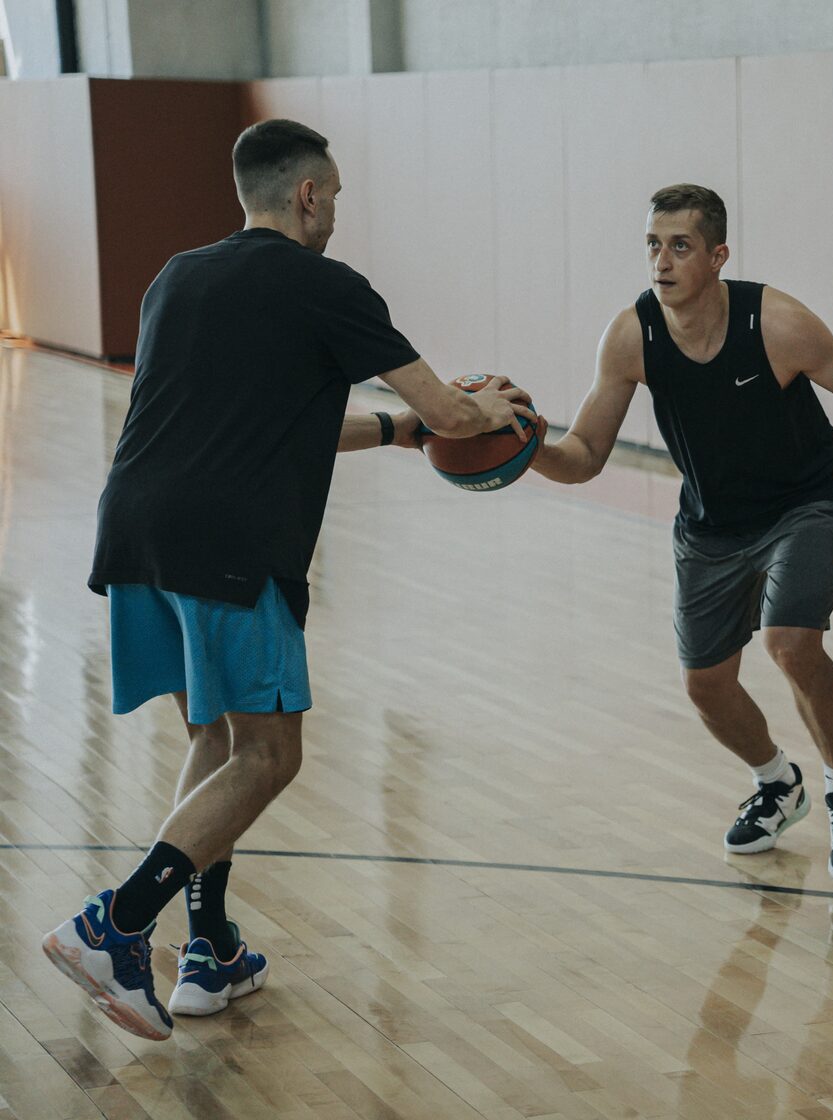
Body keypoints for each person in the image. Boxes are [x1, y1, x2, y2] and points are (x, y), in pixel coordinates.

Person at [41, 119, 536, 1042]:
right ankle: (116, 925)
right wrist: (491, 409)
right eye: (336, 195)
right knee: (270, 754)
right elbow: (452, 406)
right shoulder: (327, 286)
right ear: (307, 193)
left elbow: (271, 419)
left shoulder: (176, 278)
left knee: (219, 736)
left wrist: (397, 433)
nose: (338, 213)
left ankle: (209, 951)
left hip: (136, 531)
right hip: (229, 543)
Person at [530, 184, 833, 882]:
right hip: (711, 524)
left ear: (718, 255)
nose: (660, 261)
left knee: (791, 645)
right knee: (705, 685)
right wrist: (525, 451)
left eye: (680, 245)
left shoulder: (778, 322)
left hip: (806, 503)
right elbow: (582, 456)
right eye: (651, 245)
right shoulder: (632, 336)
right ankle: (775, 782)